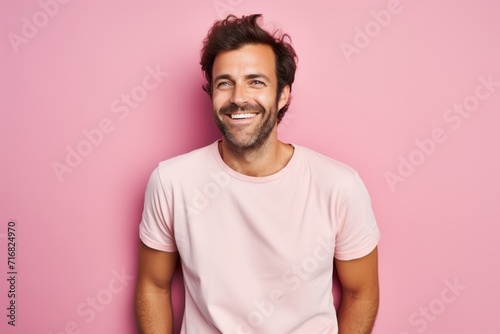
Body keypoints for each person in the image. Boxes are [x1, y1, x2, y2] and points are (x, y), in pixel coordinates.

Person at [135, 14, 380, 334]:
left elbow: (362, 293)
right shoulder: (171, 181)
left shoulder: (338, 186)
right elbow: (153, 286)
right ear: (211, 93)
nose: (238, 98)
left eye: (256, 81)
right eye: (225, 83)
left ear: (282, 95)